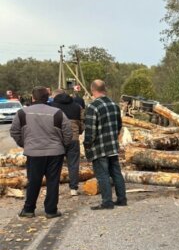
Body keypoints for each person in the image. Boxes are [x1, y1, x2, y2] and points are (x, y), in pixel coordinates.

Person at [10, 85, 73, 218]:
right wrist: (63, 145)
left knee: (33, 181)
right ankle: (51, 210)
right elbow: (68, 132)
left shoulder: (22, 113)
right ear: (47, 97)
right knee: (53, 181)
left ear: (33, 98)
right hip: (55, 153)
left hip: (33, 152)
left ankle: (28, 209)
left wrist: (24, 144)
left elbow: (14, 131)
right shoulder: (57, 112)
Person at [83, 79, 127, 210]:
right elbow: (119, 125)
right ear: (104, 89)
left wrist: (87, 145)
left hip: (99, 147)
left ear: (92, 90)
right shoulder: (114, 105)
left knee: (102, 175)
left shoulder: (93, 107)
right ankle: (122, 199)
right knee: (116, 173)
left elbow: (90, 131)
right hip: (112, 145)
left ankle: (107, 201)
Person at [51, 88, 84, 196]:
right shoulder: (77, 106)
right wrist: (78, 132)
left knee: (55, 165)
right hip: (73, 139)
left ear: (55, 96)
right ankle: (73, 188)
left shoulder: (51, 107)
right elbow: (82, 123)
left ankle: (53, 188)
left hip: (56, 140)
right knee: (73, 164)